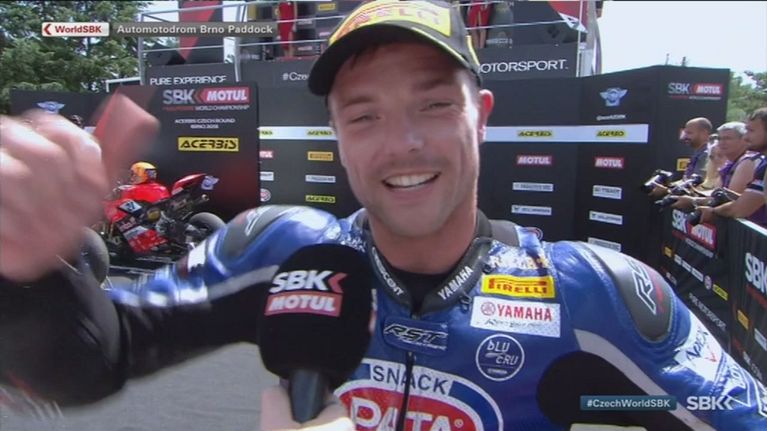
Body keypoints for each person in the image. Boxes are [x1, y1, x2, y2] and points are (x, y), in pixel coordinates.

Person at [1, 1, 766, 430]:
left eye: (432, 105)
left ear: (480, 117)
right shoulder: (279, 251)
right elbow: (98, 358)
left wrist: (603, 400)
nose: (402, 143)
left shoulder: (594, 294)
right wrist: (27, 275)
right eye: (363, 115)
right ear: (336, 134)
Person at [696, 108, 767, 226]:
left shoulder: (755, 163)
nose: (746, 137)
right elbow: (745, 201)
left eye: (751, 131)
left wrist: (712, 211)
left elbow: (739, 209)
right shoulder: (763, 165)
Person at [671, 121, 757, 210]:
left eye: (727, 138)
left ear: (744, 140)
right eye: (719, 139)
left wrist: (693, 201)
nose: (722, 143)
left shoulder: (747, 162)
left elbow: (728, 201)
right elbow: (716, 195)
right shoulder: (730, 163)